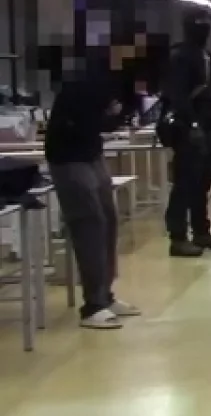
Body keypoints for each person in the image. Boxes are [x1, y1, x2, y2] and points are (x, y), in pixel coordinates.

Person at [45, 44, 140, 329]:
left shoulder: (119, 80)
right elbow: (93, 120)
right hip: (68, 155)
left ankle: (104, 295)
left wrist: (115, 114)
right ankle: (93, 305)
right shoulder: (89, 76)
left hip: (90, 151)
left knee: (108, 218)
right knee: (89, 221)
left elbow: (113, 118)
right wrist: (111, 116)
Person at [163, 12, 211, 257]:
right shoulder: (180, 57)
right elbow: (177, 96)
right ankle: (178, 237)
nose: (205, 31)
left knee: (203, 181)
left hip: (209, 124)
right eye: (201, 26)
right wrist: (191, 124)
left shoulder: (206, 56)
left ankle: (201, 231)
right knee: (185, 182)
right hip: (187, 128)